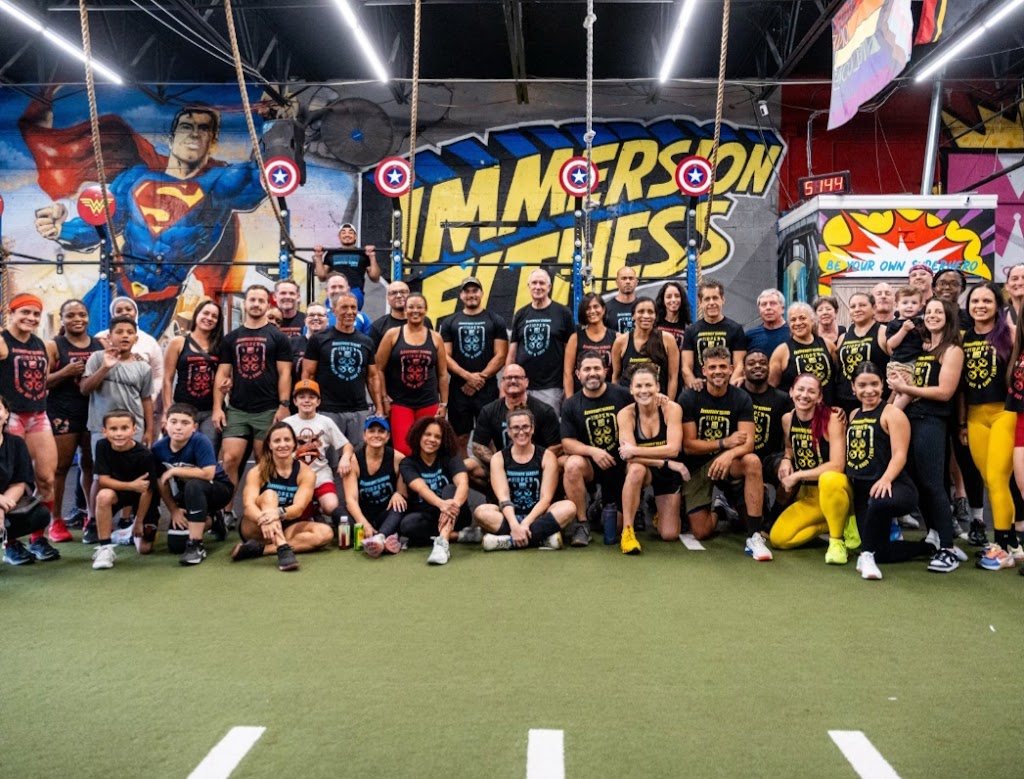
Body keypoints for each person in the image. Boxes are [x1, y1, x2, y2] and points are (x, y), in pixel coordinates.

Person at [28, 102, 266, 335]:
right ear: (171, 138)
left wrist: (274, 124)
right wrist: (61, 230)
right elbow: (101, 223)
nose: (194, 134)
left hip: (158, 302)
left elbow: (267, 174)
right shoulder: (135, 178)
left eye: (203, 129)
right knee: (86, 348)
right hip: (116, 288)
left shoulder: (218, 183)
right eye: (186, 126)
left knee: (137, 356)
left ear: (212, 143)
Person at [887, 297, 967, 573]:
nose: (932, 315)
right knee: (918, 482)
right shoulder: (924, 348)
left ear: (948, 317)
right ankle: (935, 534)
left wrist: (906, 389)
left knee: (933, 484)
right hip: (911, 420)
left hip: (932, 421)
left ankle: (947, 548)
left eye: (938, 312)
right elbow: (911, 384)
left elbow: (945, 392)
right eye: (929, 311)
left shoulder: (952, 350)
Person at [845, 363, 936, 580]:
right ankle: (929, 547)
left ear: (882, 385)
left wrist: (886, 479)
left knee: (877, 501)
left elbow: (900, 455)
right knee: (882, 552)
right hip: (864, 491)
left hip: (894, 486)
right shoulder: (854, 414)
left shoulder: (892, 414)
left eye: (874, 384)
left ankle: (865, 557)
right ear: (853, 388)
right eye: (862, 385)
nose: (869, 390)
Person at [678, 346, 770, 560]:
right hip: (697, 465)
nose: (717, 371)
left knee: (752, 461)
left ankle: (754, 537)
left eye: (722, 367)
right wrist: (724, 443)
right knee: (701, 532)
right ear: (704, 371)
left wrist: (728, 454)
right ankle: (720, 508)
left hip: (729, 462)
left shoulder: (741, 398)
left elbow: (748, 443)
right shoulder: (689, 397)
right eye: (712, 367)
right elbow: (689, 445)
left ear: (730, 369)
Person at [960, 282, 1020, 569]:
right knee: (991, 481)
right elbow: (960, 387)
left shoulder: (1009, 333)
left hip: (1004, 413)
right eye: (975, 301)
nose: (980, 306)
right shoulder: (963, 338)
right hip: (975, 417)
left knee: (997, 479)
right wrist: (962, 423)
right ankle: (1013, 544)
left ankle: (1002, 546)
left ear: (997, 305)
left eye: (987, 301)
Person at [213, 285, 294, 488]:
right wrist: (217, 408)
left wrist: (284, 405)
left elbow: (285, 374)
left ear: (268, 305)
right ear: (245, 303)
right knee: (229, 459)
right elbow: (222, 374)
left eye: (261, 301)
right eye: (252, 300)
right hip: (237, 409)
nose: (256, 304)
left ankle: (260, 504)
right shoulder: (231, 338)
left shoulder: (279, 338)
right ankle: (228, 506)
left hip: (268, 409)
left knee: (263, 461)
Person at [768, 374, 855, 564]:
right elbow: (790, 448)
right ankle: (835, 522)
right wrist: (786, 459)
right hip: (809, 494)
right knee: (778, 538)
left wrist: (797, 476)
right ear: (791, 392)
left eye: (811, 391)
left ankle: (837, 539)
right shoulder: (787, 419)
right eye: (800, 389)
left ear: (819, 397)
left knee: (829, 478)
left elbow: (837, 465)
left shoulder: (832, 418)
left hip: (833, 490)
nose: (804, 395)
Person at [0, 294, 63, 543]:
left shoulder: (41, 344)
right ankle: (11, 542)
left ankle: (38, 539)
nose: (31, 317)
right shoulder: (3, 342)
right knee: (9, 481)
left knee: (46, 479)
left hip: (37, 415)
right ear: (11, 313)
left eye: (36, 313)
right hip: (10, 416)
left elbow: (42, 380)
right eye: (24, 312)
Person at [233, 422, 333, 571]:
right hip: (256, 527)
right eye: (277, 441)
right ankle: (282, 547)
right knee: (270, 495)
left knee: (326, 533)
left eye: (287, 440)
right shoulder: (257, 471)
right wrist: (265, 519)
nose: (282, 445)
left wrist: (277, 514)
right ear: (270, 445)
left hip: (287, 523)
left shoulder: (306, 473)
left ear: (294, 444)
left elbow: (298, 508)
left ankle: (261, 550)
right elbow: (248, 506)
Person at [473, 408, 576, 551]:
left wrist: (526, 523)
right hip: (509, 517)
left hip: (538, 517)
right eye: (516, 427)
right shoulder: (498, 458)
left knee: (569, 507)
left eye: (525, 427)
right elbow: (503, 498)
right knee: (481, 512)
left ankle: (508, 541)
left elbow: (546, 499)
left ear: (532, 429)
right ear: (509, 431)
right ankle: (541, 539)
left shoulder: (547, 457)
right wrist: (514, 525)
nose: (521, 432)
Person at [561, 351, 633, 547]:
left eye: (596, 368)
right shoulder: (571, 404)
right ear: (578, 374)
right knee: (572, 464)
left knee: (615, 527)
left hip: (620, 465)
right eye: (587, 369)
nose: (592, 373)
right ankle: (582, 524)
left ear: (605, 371)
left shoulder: (623, 395)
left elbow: (646, 407)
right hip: (592, 466)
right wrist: (593, 451)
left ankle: (603, 505)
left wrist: (660, 398)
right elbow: (567, 443)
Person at [45, 299, 103, 542]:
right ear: (62, 319)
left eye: (81, 314)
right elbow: (41, 382)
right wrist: (65, 372)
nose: (77, 319)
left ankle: (91, 516)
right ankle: (55, 520)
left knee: (90, 466)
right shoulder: (54, 346)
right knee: (61, 468)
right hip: (62, 412)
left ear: (88, 317)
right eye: (70, 315)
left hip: (93, 412)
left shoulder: (99, 344)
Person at [152, 403, 234, 566]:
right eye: (174, 422)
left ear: (194, 427)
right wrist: (174, 510)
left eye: (185, 423)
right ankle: (214, 520)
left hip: (218, 490)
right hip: (188, 495)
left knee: (194, 485)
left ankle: (196, 545)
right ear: (166, 424)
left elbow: (208, 474)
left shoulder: (200, 441)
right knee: (176, 544)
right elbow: (161, 482)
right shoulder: (158, 448)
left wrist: (176, 471)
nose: (178, 427)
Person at [616, 365, 686, 553]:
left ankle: (656, 509)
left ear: (658, 387)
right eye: (638, 386)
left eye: (648, 385)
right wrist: (665, 462)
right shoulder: (625, 414)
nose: (644, 390)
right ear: (631, 389)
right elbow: (630, 458)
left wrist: (636, 450)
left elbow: (673, 449)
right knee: (635, 469)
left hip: (667, 473)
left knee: (669, 534)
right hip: (648, 468)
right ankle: (627, 532)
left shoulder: (672, 409)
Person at [466, 364, 562, 491]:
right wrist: (500, 464)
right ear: (502, 383)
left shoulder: (544, 411)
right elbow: (478, 446)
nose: (513, 381)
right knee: (465, 467)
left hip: (538, 466)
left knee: (566, 463)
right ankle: (494, 495)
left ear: (526, 382)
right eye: (508, 378)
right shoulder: (489, 411)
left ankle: (550, 495)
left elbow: (556, 446)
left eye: (517, 377)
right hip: (502, 466)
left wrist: (532, 464)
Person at [303, 292, 383, 444]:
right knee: (330, 456)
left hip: (358, 410)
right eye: (344, 307)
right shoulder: (318, 339)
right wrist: (309, 406)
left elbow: (373, 377)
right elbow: (308, 375)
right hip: (327, 410)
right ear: (333, 310)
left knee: (357, 455)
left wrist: (379, 407)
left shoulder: (366, 341)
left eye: (353, 307)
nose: (350, 312)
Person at [441, 277, 509, 454]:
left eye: (475, 291)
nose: (471, 295)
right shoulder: (449, 322)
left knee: (491, 438)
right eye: (467, 291)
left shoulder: (496, 320)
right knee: (459, 438)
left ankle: (494, 472)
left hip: (487, 388)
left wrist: (479, 379)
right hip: (459, 389)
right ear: (461, 295)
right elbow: (445, 356)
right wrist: (467, 377)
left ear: (482, 293)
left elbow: (501, 355)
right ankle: (463, 472)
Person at [377, 293, 449, 456]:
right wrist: (383, 397)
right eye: (411, 307)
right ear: (405, 310)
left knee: (428, 448)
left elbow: (443, 374)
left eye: (419, 307)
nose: (415, 311)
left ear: (426, 310)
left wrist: (444, 404)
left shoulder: (436, 338)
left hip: (428, 401)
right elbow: (378, 368)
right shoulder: (392, 334)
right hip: (400, 403)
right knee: (403, 450)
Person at [398, 417, 475, 566]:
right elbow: (421, 488)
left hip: (456, 513)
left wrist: (452, 506)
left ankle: (442, 544)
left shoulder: (451, 457)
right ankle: (459, 536)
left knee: (450, 489)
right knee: (407, 525)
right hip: (429, 517)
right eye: (427, 434)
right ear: (418, 435)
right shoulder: (408, 463)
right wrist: (441, 505)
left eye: (437, 437)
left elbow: (463, 483)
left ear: (443, 440)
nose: (432, 440)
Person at [90, 410, 158, 570]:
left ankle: (126, 533)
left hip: (141, 497)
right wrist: (131, 485)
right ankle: (105, 548)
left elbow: (147, 491)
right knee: (103, 495)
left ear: (134, 430)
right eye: (113, 429)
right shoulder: (102, 446)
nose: (119, 434)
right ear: (104, 431)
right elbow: (103, 480)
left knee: (144, 549)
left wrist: (138, 522)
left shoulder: (145, 455)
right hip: (119, 492)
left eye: (124, 428)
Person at [283, 379, 354, 529]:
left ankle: (320, 510)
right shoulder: (287, 423)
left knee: (331, 505)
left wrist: (345, 457)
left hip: (320, 474)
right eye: (302, 397)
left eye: (311, 397)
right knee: (298, 514)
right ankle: (313, 511)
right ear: (295, 401)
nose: (307, 401)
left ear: (318, 401)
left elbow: (346, 445)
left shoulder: (325, 422)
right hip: (296, 477)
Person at [0, 395, 61, 565]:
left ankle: (34, 541)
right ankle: (10, 544)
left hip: (36, 409)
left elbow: (18, 483)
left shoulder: (15, 443)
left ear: (6, 413)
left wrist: (2, 508)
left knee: (40, 513)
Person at [81, 316, 155, 453]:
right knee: (102, 466)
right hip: (101, 428)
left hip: (133, 429)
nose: (125, 336)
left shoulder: (144, 367)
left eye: (130, 332)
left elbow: (146, 399)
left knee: (131, 465)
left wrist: (149, 430)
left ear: (136, 339)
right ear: (109, 337)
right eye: (119, 332)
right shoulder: (97, 358)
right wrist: (104, 367)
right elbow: (85, 389)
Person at [508, 269, 575, 415]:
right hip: (522, 386)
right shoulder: (520, 314)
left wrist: (568, 386)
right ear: (529, 286)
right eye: (534, 283)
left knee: (549, 427)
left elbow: (570, 353)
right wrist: (506, 384)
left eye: (542, 283)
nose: (538, 287)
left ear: (549, 287)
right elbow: (512, 353)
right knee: (521, 425)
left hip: (551, 387)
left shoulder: (563, 313)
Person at [162, 299, 222, 446]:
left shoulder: (220, 346)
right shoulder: (178, 342)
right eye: (205, 313)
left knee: (208, 450)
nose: (209, 318)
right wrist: (168, 411)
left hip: (209, 412)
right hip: (183, 410)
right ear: (197, 315)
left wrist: (218, 409)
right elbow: (167, 379)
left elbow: (224, 376)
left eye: (214, 316)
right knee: (182, 451)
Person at [345, 416, 407, 558]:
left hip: (385, 513)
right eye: (371, 431)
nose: (376, 435)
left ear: (388, 436)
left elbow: (403, 493)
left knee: (400, 507)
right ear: (364, 435)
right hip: (363, 514)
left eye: (381, 431)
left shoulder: (398, 458)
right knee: (339, 512)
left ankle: (379, 538)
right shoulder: (354, 460)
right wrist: (364, 524)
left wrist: (398, 493)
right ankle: (387, 538)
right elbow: (351, 500)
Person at [741, 349, 792, 499]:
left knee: (790, 473)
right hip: (743, 458)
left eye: (762, 363)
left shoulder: (782, 398)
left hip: (771, 458)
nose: (757, 366)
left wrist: (786, 459)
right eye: (751, 363)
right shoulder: (735, 395)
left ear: (769, 368)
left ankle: (776, 510)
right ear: (743, 370)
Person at [681, 278, 747, 390]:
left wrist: (729, 391)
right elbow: (686, 368)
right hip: (700, 391)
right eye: (707, 299)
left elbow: (739, 366)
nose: (711, 303)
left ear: (723, 300)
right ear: (700, 303)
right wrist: (694, 387)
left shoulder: (736, 329)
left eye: (715, 298)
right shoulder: (691, 331)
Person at [768, 302, 836, 405]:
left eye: (802, 318)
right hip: (795, 411)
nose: (798, 323)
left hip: (826, 409)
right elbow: (771, 386)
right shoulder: (781, 351)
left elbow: (837, 379)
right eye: (793, 320)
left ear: (812, 320)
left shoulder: (828, 345)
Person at [611, 297, 679, 398]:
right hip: (628, 401)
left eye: (650, 312)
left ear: (655, 316)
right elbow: (616, 377)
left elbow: (672, 377)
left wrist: (669, 403)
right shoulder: (621, 342)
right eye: (641, 312)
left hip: (657, 401)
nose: (646, 316)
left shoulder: (668, 340)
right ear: (633, 316)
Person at [835, 292, 888, 415]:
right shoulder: (843, 337)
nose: (857, 309)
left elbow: (897, 368)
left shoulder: (883, 332)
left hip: (875, 402)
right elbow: (838, 371)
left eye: (862, 305)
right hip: (845, 403)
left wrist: (889, 405)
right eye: (853, 306)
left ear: (874, 308)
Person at [312, 222, 381, 307]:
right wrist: (318, 257)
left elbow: (375, 277)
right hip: (336, 291)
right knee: (329, 311)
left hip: (354, 292)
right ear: (339, 237)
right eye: (343, 232)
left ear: (355, 237)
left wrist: (372, 256)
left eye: (350, 232)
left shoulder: (362, 253)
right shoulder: (331, 253)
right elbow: (322, 277)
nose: (347, 235)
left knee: (348, 309)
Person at [564, 292, 616, 399]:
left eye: (596, 307)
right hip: (581, 397)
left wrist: (615, 397)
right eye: (588, 308)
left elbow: (617, 373)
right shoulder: (575, 339)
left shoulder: (616, 337)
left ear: (603, 309)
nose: (592, 311)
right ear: (583, 312)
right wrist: (570, 400)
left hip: (608, 396)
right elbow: (567, 373)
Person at [883, 286, 925, 411]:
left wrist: (927, 342)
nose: (909, 306)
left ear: (920, 306)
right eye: (905, 303)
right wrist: (904, 330)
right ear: (896, 305)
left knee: (901, 392)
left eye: (914, 303)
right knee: (909, 392)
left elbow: (925, 337)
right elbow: (891, 344)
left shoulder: (920, 322)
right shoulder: (894, 324)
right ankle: (893, 414)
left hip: (916, 364)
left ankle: (887, 410)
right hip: (899, 364)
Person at [370, 280, 434, 349]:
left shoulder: (425, 321)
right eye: (393, 293)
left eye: (403, 292)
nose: (399, 296)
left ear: (409, 295)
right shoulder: (378, 326)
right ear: (387, 299)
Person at [745, 288, 790, 355]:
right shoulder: (750, 335)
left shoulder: (793, 332)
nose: (768, 308)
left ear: (783, 309)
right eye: (764, 304)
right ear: (759, 310)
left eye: (773, 304)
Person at [654, 280, 692, 353]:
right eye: (669, 297)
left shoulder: (688, 328)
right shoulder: (655, 326)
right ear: (663, 300)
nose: (673, 300)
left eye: (677, 296)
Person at [604, 265, 638, 333]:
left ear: (636, 282)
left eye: (631, 278)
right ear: (617, 282)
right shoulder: (606, 308)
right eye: (624, 278)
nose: (628, 281)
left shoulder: (642, 307)